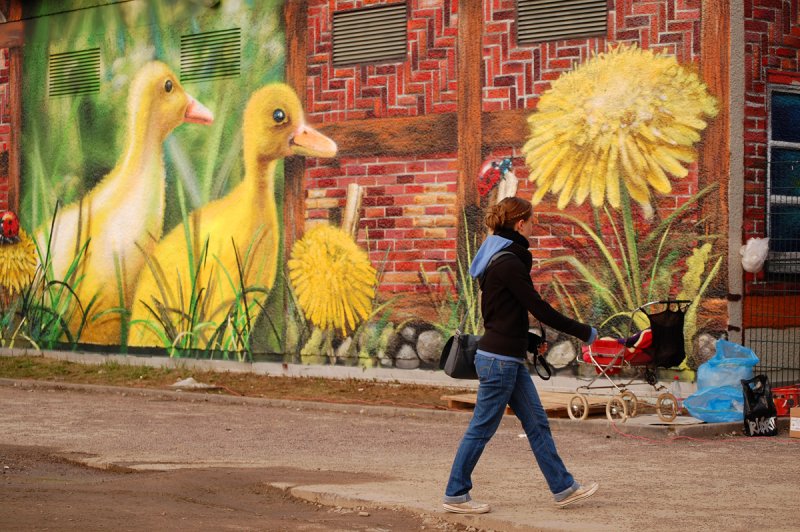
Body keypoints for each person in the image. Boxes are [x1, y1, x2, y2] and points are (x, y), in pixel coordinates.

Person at [442, 196, 599, 514]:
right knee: (482, 427)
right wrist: (584, 332)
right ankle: (455, 493)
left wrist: (526, 341)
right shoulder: (509, 262)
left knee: (537, 423)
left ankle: (563, 487)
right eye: (532, 219)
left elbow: (501, 315)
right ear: (520, 224)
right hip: (499, 362)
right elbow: (538, 308)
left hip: (505, 358)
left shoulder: (498, 259)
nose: (535, 223)